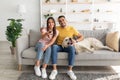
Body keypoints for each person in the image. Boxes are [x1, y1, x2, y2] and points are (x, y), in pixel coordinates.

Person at [49, 15, 84, 80]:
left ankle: (70, 71)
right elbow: (49, 30)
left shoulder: (72, 28)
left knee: (71, 48)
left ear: (66, 20)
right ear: (59, 23)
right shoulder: (57, 28)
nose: (62, 22)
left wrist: (76, 41)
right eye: (60, 21)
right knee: (54, 47)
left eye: (63, 20)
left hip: (68, 46)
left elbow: (82, 37)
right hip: (59, 46)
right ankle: (54, 70)